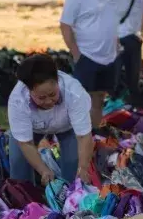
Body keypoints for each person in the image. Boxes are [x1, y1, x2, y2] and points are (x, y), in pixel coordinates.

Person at [8, 54, 94, 185]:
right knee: (19, 162)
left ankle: (68, 200)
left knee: (74, 166)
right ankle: (27, 199)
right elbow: (25, 143)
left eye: (53, 94)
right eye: (41, 98)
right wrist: (43, 170)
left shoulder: (75, 93)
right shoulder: (18, 100)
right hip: (33, 128)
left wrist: (83, 167)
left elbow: (84, 136)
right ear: (28, 90)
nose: (48, 101)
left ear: (58, 81)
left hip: (68, 127)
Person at [60, 0, 119, 129]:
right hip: (87, 57)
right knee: (81, 101)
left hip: (109, 58)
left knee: (99, 100)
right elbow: (65, 26)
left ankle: (93, 135)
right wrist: (76, 53)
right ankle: (75, 135)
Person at [112, 0, 143, 100]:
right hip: (117, 40)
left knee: (133, 78)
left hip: (134, 39)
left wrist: (141, 33)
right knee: (114, 77)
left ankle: (132, 106)